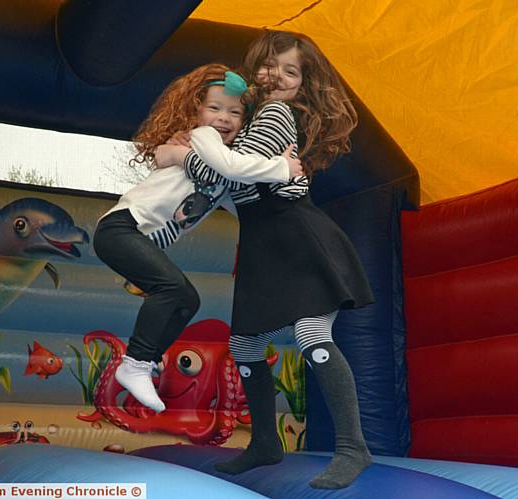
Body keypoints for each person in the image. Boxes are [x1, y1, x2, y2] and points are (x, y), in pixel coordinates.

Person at [156, 31, 375, 490]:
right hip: (264, 240)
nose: (276, 77)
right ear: (254, 70)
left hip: (297, 236)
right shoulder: (249, 120)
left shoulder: (277, 114)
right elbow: (224, 183)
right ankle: (264, 443)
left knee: (312, 336)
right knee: (245, 344)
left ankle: (354, 447)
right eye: (269, 66)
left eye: (290, 71)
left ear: (302, 85)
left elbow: (230, 171)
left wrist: (179, 154)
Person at [93, 63, 302, 414]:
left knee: (188, 299)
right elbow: (234, 167)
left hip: (137, 237)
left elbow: (239, 196)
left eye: (235, 113)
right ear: (197, 111)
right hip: (120, 228)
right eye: (214, 108)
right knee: (172, 288)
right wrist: (281, 168)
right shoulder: (203, 139)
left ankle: (146, 360)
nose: (223, 118)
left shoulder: (217, 171)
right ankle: (136, 363)